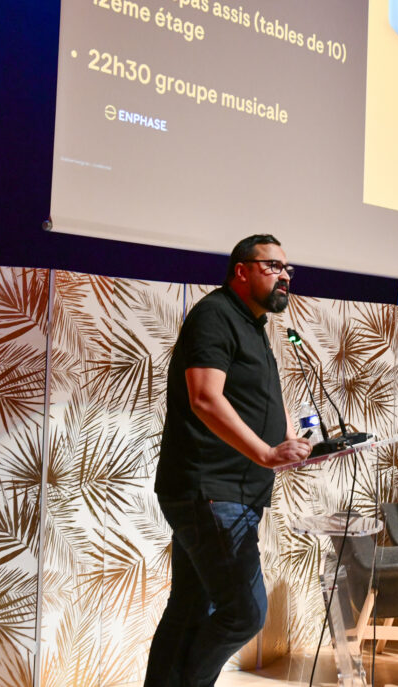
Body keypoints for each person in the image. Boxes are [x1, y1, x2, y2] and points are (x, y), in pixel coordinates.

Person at [145, 234, 312, 687]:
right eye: (273, 266)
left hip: (230, 493)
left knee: (188, 607)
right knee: (245, 611)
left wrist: (290, 439)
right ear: (241, 270)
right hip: (210, 490)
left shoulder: (254, 326)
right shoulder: (215, 315)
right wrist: (266, 453)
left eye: (287, 269)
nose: (284, 276)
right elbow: (204, 397)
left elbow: (258, 398)